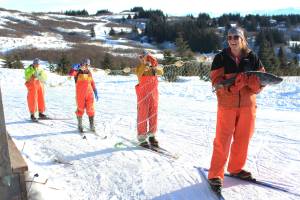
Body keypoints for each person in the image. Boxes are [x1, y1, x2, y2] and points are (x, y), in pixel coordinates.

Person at [208, 27, 265, 194]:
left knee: (243, 138)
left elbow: (261, 82)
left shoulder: (252, 57)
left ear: (243, 39)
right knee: (222, 140)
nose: (232, 40)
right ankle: (215, 175)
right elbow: (216, 83)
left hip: (248, 106)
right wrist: (233, 86)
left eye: (236, 37)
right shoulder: (220, 58)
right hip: (227, 105)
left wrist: (253, 83)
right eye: (229, 37)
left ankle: (236, 168)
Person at [134, 51, 163, 148]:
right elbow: (139, 73)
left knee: (153, 115)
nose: (141, 58)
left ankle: (152, 136)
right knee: (143, 115)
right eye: (140, 57)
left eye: (143, 57)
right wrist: (145, 66)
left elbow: (161, 72)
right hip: (143, 96)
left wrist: (153, 66)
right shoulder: (139, 67)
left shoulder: (154, 69)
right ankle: (142, 138)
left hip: (153, 96)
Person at [68, 58, 98, 133]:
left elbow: (92, 82)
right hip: (80, 94)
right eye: (85, 64)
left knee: (90, 109)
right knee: (80, 109)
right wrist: (73, 68)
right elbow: (70, 74)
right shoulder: (77, 72)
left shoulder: (89, 72)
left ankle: (91, 125)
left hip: (89, 94)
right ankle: (80, 125)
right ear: (82, 64)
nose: (86, 66)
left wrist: (95, 91)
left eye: (87, 65)